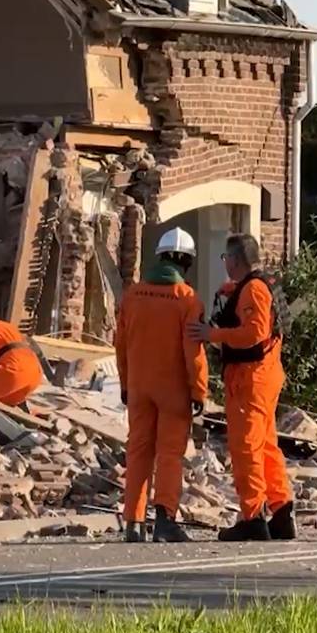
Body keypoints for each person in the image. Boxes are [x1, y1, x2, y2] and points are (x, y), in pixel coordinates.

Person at [187, 234, 295, 542]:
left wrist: (213, 333)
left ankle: (252, 516)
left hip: (251, 378)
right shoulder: (260, 286)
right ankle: (281, 510)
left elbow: (254, 334)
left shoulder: (254, 290)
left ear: (235, 260)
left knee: (246, 447)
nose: (225, 265)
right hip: (264, 376)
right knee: (266, 446)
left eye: (226, 259)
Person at [115, 227, 208, 543]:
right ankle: (165, 520)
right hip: (174, 392)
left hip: (139, 388)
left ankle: (133, 521)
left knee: (138, 450)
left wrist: (126, 384)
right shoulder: (187, 300)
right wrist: (199, 391)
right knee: (169, 454)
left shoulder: (133, 295)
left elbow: (120, 345)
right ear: (185, 261)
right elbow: (193, 352)